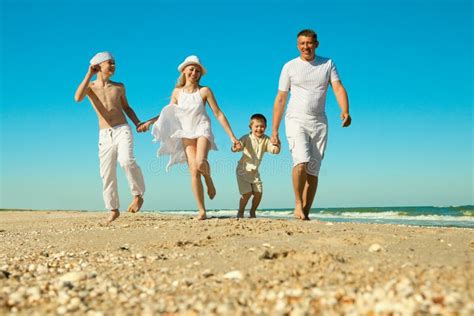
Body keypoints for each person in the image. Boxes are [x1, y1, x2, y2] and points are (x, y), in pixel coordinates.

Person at [140, 55, 241, 220]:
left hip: (202, 129)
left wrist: (232, 137)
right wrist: (150, 122)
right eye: (191, 69)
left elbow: (218, 113)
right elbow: (167, 114)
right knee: (194, 171)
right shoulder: (177, 93)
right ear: (184, 71)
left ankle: (208, 178)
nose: (194, 72)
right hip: (185, 132)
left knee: (201, 162)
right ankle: (202, 210)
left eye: (197, 70)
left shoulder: (204, 91)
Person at [271, 29, 351, 220]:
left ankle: (305, 211)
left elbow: (338, 87)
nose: (305, 46)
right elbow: (281, 98)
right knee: (301, 162)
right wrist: (274, 130)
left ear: (316, 44)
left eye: (309, 43)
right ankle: (297, 204)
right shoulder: (289, 67)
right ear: (297, 45)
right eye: (302, 43)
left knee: (313, 170)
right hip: (295, 118)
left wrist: (345, 110)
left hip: (319, 121)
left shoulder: (327, 64)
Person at [74, 51, 146, 223]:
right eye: (110, 63)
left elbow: (127, 108)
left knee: (126, 161)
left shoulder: (119, 86)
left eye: (114, 63)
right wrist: (89, 73)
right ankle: (113, 209)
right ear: (99, 66)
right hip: (104, 134)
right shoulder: (90, 87)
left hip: (122, 129)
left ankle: (138, 195)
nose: (113, 66)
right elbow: (77, 98)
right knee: (107, 173)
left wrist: (137, 123)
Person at [231, 114, 280, 218]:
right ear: (251, 127)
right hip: (242, 170)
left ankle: (252, 211)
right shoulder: (246, 138)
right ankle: (241, 211)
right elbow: (237, 147)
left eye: (262, 126)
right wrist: (235, 148)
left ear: (265, 127)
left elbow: (274, 150)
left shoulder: (267, 139)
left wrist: (277, 145)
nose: (259, 129)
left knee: (259, 193)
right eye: (256, 126)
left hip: (254, 172)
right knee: (247, 194)